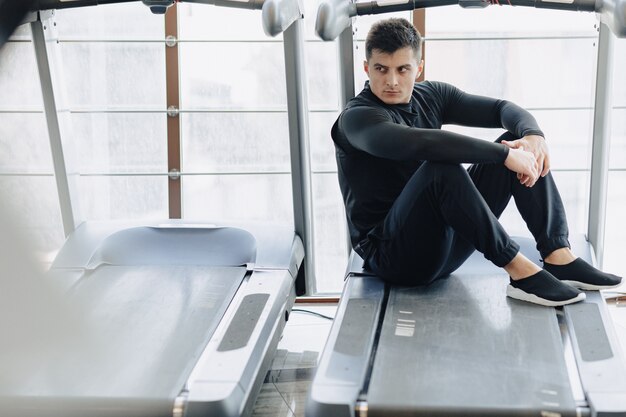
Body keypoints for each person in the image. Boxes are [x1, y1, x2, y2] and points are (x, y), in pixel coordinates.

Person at [332, 17, 622, 306]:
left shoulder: (430, 95)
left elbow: (501, 109)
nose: (392, 81)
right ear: (367, 68)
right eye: (381, 69)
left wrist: (533, 136)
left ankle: (558, 256)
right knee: (442, 168)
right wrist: (507, 155)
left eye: (403, 69)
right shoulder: (357, 118)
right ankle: (521, 274)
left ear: (418, 68)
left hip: (446, 248)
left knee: (515, 138)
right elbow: (422, 143)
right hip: (396, 258)